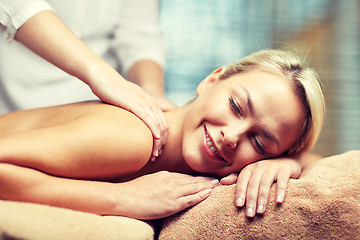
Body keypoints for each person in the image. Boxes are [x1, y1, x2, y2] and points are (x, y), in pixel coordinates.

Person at [0, 49, 325, 219]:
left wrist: (289, 164)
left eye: (258, 142)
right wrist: (123, 199)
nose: (231, 136)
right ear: (212, 80)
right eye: (236, 106)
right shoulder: (138, 136)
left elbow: (324, 163)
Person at [0, 0, 174, 161]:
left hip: (101, 110)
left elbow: (138, 33)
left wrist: (150, 94)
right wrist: (103, 76)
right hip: (11, 99)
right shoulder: (132, 138)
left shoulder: (131, 137)